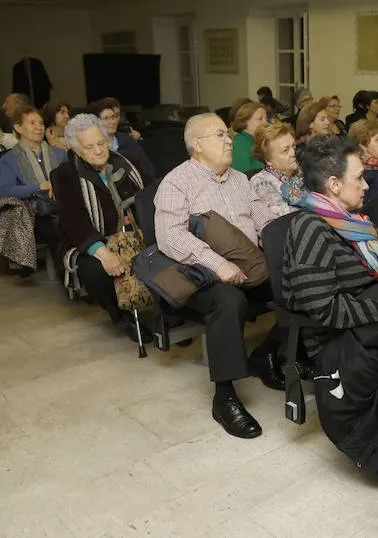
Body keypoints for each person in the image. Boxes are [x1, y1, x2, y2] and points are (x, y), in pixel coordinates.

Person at [281, 135, 378, 513]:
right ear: (334, 185)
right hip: (340, 341)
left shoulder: (354, 221)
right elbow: (325, 310)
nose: (368, 185)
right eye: (360, 178)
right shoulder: (310, 229)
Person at [154, 113, 280, 439]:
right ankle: (224, 397)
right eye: (220, 135)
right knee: (228, 300)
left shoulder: (240, 179)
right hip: (201, 273)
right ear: (197, 145)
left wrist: (280, 249)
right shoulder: (177, 182)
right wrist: (217, 264)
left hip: (248, 263)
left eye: (228, 134)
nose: (229, 140)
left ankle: (266, 355)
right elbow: (171, 236)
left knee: (295, 285)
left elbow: (263, 220)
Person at [51, 113, 152, 340]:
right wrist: (105, 254)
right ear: (76, 150)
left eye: (101, 142)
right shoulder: (67, 174)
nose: (98, 150)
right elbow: (73, 221)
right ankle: (122, 316)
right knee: (96, 270)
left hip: (137, 234)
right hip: (94, 239)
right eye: (89, 147)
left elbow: (152, 193)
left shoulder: (128, 161)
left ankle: (169, 312)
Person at [0, 105, 66, 273]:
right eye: (32, 123)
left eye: (41, 123)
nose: (39, 127)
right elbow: (5, 190)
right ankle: (67, 274)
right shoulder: (9, 159)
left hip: (62, 205)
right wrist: (40, 186)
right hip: (33, 213)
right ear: (18, 127)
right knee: (54, 226)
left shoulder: (59, 153)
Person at [90, 98, 155, 177]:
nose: (113, 121)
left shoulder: (129, 141)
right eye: (106, 118)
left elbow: (148, 170)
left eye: (116, 116)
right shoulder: (90, 145)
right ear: (97, 120)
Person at [249, 122, 303, 217]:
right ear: (268, 159)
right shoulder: (260, 182)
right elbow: (285, 215)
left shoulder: (301, 170)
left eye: (293, 146)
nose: (293, 153)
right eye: (285, 150)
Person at [229, 102, 268, 174]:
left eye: (266, 119)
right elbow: (243, 176)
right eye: (260, 119)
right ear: (245, 121)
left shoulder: (259, 142)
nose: (266, 123)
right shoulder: (239, 145)